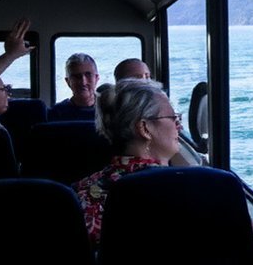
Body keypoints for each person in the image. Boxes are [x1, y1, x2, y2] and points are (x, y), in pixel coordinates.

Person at [73, 78, 181, 245]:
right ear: (145, 129)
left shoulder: (79, 192)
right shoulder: (186, 188)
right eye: (173, 118)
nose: (178, 126)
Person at [48, 53, 100, 121]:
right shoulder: (56, 113)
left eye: (88, 75)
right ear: (68, 81)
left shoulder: (110, 109)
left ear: (96, 78)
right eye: (77, 76)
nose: (83, 82)